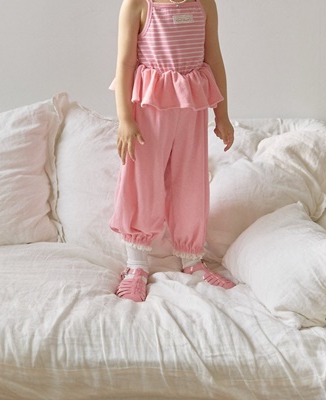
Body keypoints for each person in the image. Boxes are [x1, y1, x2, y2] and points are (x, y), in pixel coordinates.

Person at [109, 0, 235, 302]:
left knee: (191, 181)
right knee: (142, 180)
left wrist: (222, 114)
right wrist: (125, 119)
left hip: (191, 105)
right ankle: (136, 265)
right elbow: (125, 64)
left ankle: (192, 260)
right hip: (149, 107)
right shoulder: (137, 4)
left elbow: (213, 57)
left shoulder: (204, 3)